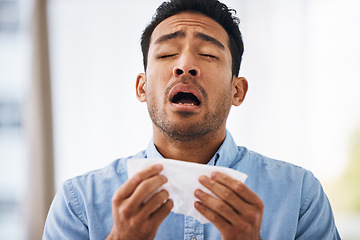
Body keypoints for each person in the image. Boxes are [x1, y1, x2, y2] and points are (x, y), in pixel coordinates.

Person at [43, 0, 341, 239]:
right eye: (167, 54)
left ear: (237, 91)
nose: (185, 65)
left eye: (209, 55)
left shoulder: (301, 195)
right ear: (142, 87)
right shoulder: (77, 202)